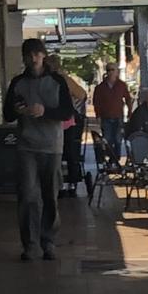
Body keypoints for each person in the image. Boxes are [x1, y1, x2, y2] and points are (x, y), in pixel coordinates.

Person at [3, 38, 74, 262]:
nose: (33, 58)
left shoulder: (57, 81)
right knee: (27, 195)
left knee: (50, 195)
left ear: (43, 56)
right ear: (24, 57)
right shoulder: (17, 83)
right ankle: (30, 244)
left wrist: (44, 111)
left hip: (52, 146)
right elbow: (7, 114)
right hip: (26, 145)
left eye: (37, 54)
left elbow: (67, 112)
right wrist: (18, 110)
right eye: (29, 54)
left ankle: (48, 241)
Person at [45, 54, 87, 197]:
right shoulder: (52, 78)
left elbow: (81, 94)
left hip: (64, 122)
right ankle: (65, 184)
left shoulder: (63, 79)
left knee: (66, 153)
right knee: (65, 154)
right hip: (58, 121)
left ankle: (65, 184)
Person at [92, 62, 132, 158]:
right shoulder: (100, 87)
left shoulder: (122, 85)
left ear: (117, 72)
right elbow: (96, 102)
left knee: (118, 139)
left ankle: (116, 157)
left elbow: (128, 99)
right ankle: (111, 158)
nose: (110, 72)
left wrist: (130, 113)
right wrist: (98, 115)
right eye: (108, 70)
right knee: (108, 139)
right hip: (105, 117)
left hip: (118, 116)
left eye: (112, 70)